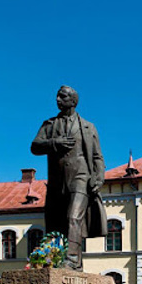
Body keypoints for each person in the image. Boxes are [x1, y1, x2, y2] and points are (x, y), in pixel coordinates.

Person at [31, 86, 107, 271]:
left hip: (81, 177)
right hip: (57, 180)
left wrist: (98, 177)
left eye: (62, 96)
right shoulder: (49, 124)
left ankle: (71, 260)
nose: (58, 99)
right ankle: (55, 259)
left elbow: (97, 156)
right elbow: (35, 147)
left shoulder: (88, 127)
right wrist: (54, 143)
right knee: (57, 221)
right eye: (57, 95)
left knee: (73, 218)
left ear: (73, 101)